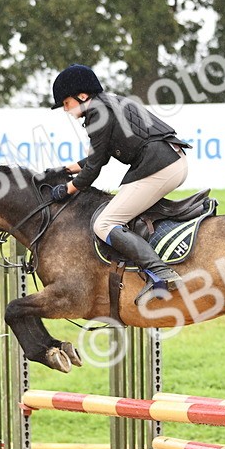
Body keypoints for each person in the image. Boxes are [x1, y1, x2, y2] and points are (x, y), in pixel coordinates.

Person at [49, 64, 190, 290]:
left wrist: (68, 189)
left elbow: (93, 169)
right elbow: (99, 158)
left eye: (66, 103)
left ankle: (162, 273)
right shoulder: (107, 104)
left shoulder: (97, 112)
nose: (66, 109)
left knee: (104, 223)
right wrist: (66, 170)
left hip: (160, 166)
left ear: (82, 96)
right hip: (168, 161)